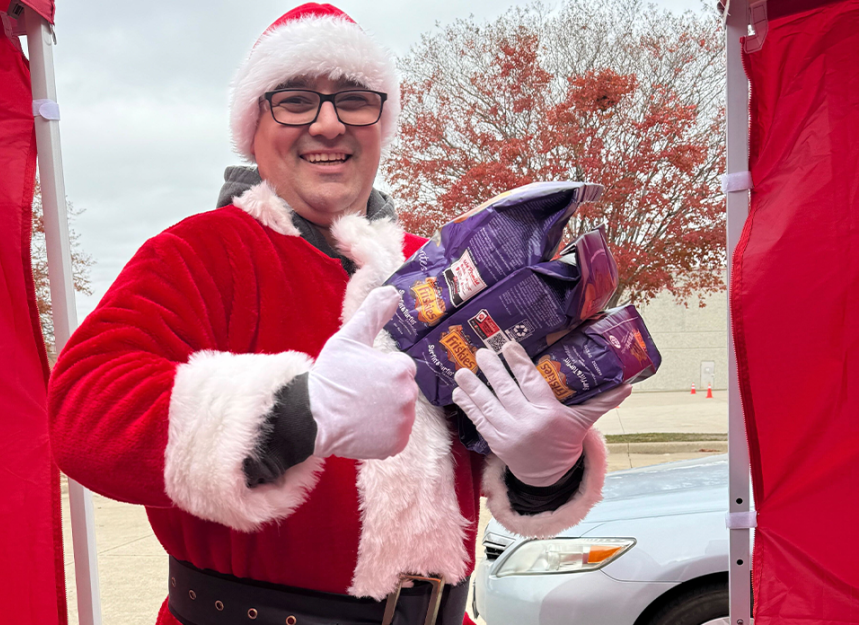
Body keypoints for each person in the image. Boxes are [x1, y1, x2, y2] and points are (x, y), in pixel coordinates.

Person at [47, 4, 630, 624]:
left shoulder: (438, 266)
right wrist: (298, 411)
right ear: (254, 126)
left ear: (382, 122)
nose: (328, 125)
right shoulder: (198, 252)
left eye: (354, 99)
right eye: (294, 100)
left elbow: (490, 441)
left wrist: (542, 471)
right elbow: (86, 411)